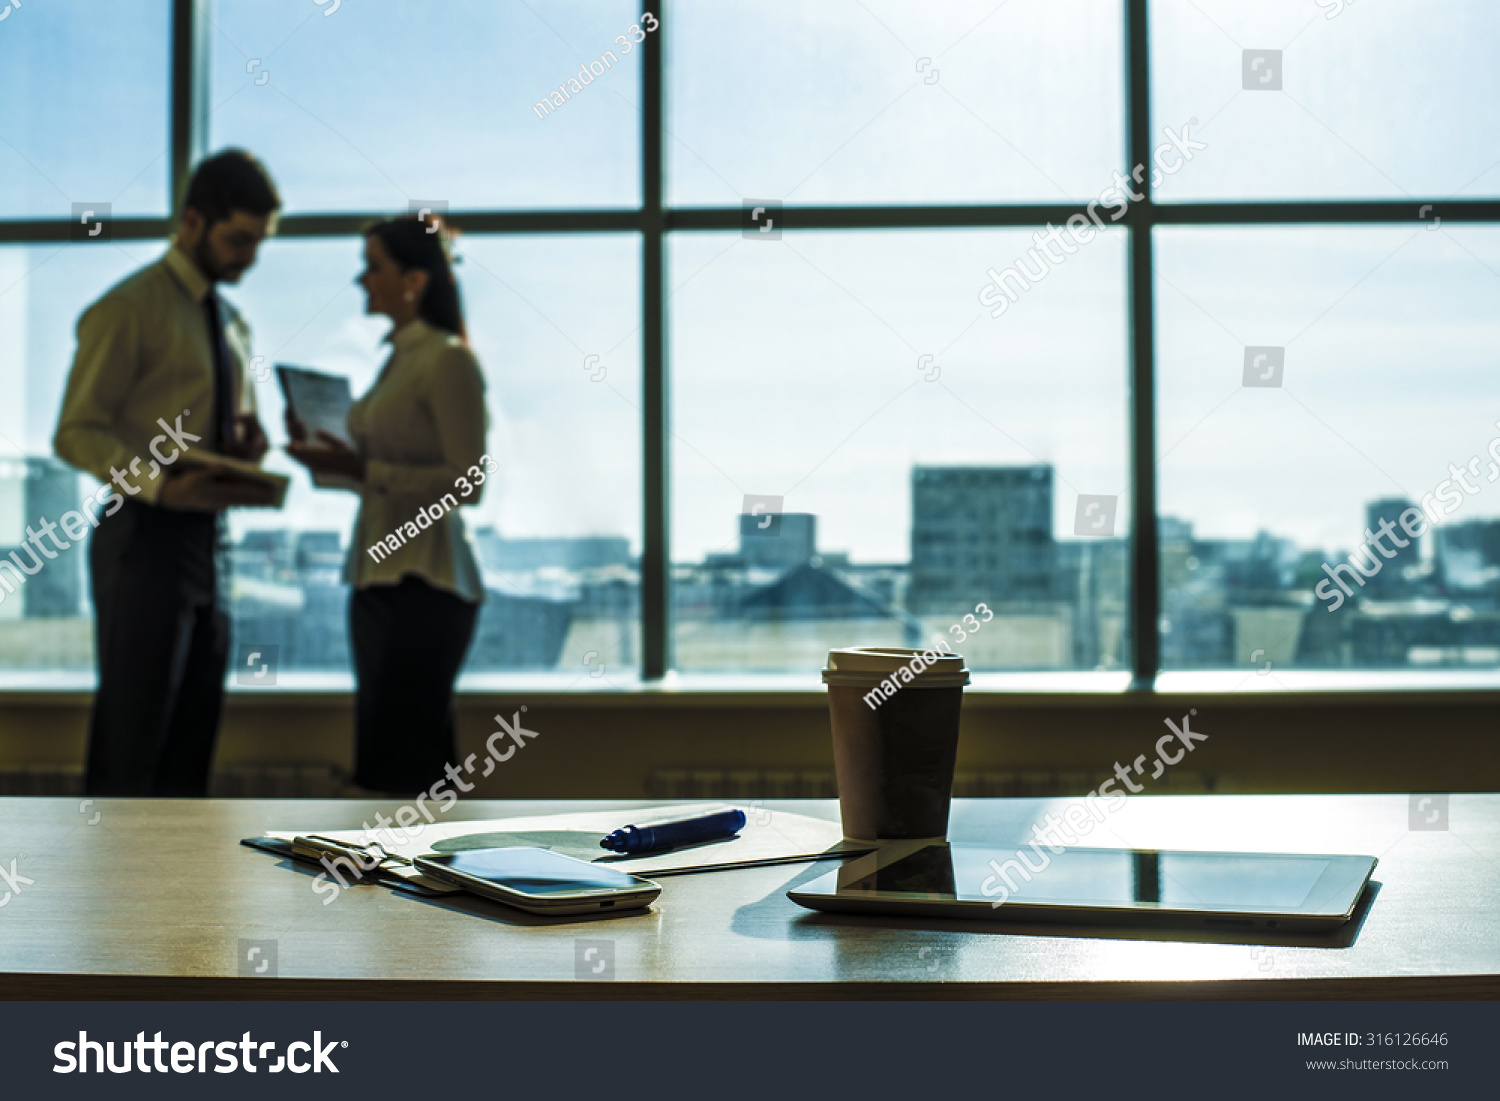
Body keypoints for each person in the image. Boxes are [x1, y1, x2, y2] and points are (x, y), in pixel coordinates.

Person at [53, 149, 281, 796]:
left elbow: (232, 428)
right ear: (190, 223)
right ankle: (117, 899)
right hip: (143, 536)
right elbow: (77, 430)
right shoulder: (129, 309)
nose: (249, 257)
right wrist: (159, 484)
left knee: (191, 744)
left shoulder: (232, 322)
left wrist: (248, 448)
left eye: (258, 242)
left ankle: (179, 901)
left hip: (214, 542)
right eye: (238, 239)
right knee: (133, 744)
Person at [287, 214, 488, 796]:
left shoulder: (447, 359)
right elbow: (380, 481)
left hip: (424, 582)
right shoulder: (399, 360)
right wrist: (334, 460)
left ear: (414, 280)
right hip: (381, 578)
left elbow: (468, 482)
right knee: (389, 759)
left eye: (374, 266)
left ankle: (409, 880)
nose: (361, 279)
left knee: (401, 766)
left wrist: (364, 469)